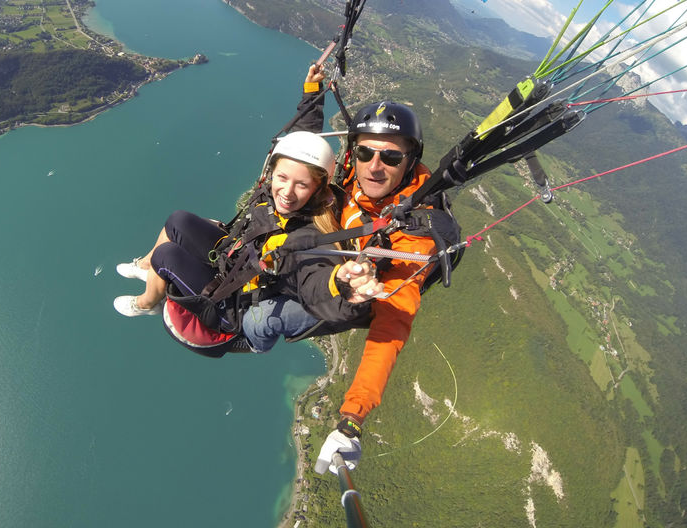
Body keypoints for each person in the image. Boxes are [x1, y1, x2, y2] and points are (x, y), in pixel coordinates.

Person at [286, 71, 444, 475]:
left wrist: (352, 418)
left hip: (356, 293)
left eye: (390, 158)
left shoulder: (413, 237)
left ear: (410, 162)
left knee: (267, 320)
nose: (374, 167)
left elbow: (393, 322)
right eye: (365, 153)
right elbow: (307, 156)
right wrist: (312, 96)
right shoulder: (351, 173)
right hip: (336, 264)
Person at [113, 129, 384, 357]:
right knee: (178, 220)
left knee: (166, 256)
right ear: (272, 172)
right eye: (282, 178)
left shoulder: (306, 238)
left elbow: (313, 279)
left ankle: (147, 303)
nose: (287, 192)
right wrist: (312, 93)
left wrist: (339, 281)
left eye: (301, 185)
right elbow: (304, 139)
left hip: (231, 305)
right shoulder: (276, 195)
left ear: (316, 189)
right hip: (234, 259)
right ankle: (145, 268)